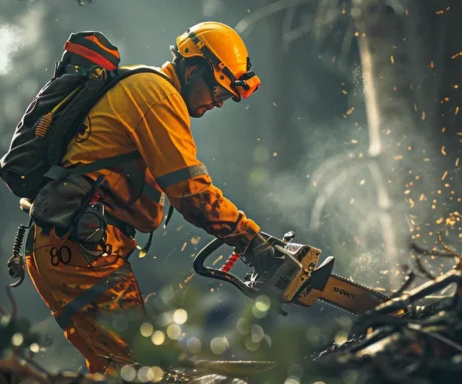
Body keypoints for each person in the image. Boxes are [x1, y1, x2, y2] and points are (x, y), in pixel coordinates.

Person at [23, 21, 279, 375]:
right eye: (219, 93)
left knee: (119, 367)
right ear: (193, 69)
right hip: (79, 250)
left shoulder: (140, 85)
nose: (219, 104)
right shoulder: (157, 96)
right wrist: (253, 242)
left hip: (68, 244)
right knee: (136, 369)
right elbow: (192, 193)